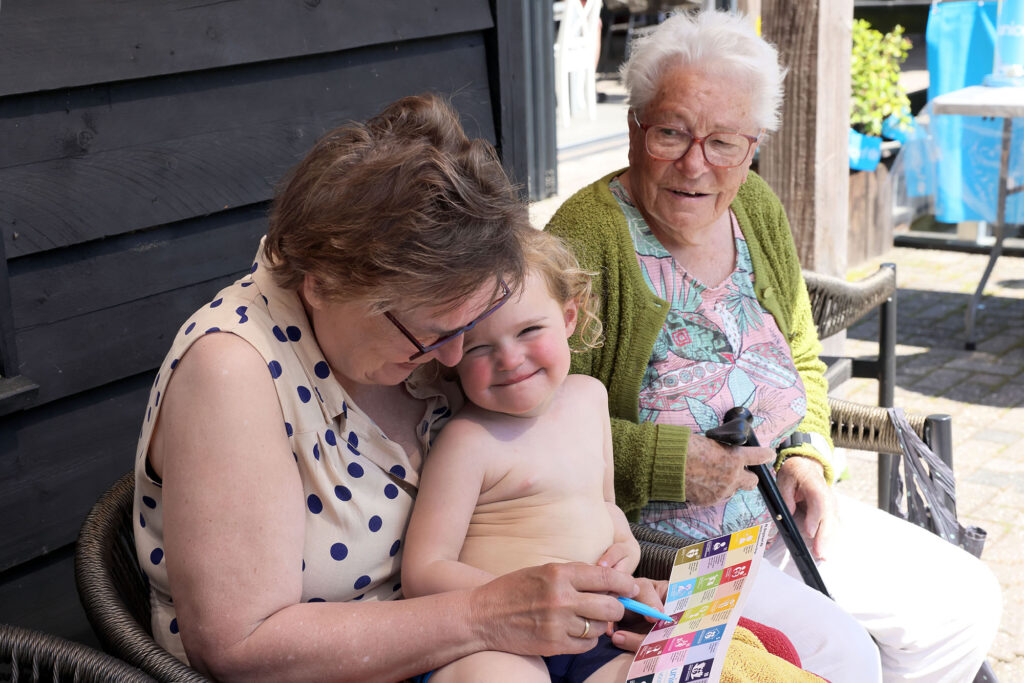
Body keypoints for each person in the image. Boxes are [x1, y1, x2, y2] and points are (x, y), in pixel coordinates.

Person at [545, 10, 1001, 683]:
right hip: (665, 550)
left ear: (753, 145)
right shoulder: (584, 239)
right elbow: (539, 429)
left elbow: (800, 351)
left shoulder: (754, 206)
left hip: (780, 512)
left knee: (963, 601)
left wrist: (810, 452)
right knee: (842, 656)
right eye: (672, 132)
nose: (696, 163)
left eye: (723, 141)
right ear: (636, 127)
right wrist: (673, 463)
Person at [131, 94, 652, 682]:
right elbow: (239, 647)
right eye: (434, 333)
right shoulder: (233, 371)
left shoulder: (402, 324)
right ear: (322, 285)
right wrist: (488, 614)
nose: (453, 358)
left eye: (464, 331)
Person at [402, 229, 827, 683]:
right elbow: (424, 571)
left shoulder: (589, 398)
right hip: (498, 637)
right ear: (450, 355)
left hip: (596, 633)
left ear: (568, 317)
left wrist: (624, 546)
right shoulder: (467, 441)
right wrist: (517, 598)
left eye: (529, 331)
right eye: (479, 346)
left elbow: (605, 504)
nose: (509, 358)